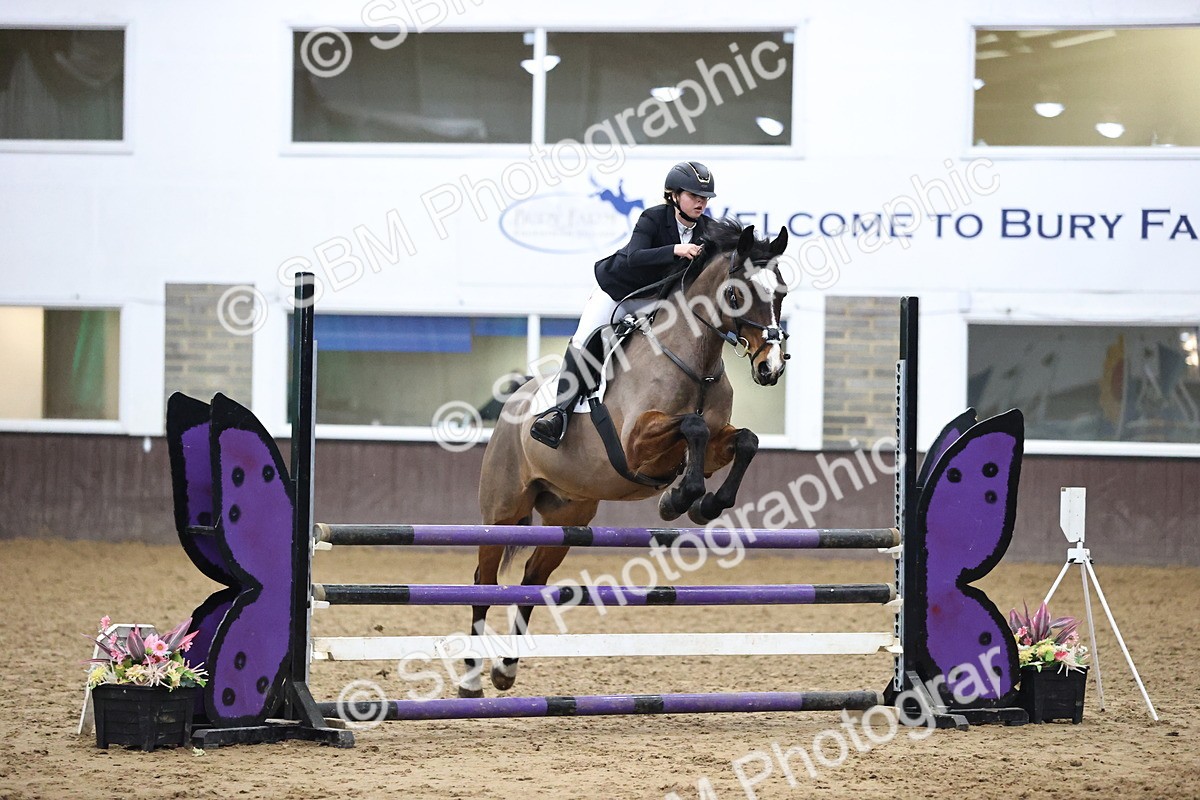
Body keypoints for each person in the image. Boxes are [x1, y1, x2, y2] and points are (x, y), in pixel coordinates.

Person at [530, 161, 717, 448]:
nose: (700, 203)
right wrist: (675, 250)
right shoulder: (653, 218)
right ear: (674, 196)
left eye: (704, 198)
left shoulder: (708, 229)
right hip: (617, 293)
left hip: (655, 302)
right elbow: (635, 257)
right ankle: (558, 414)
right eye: (694, 196)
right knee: (585, 341)